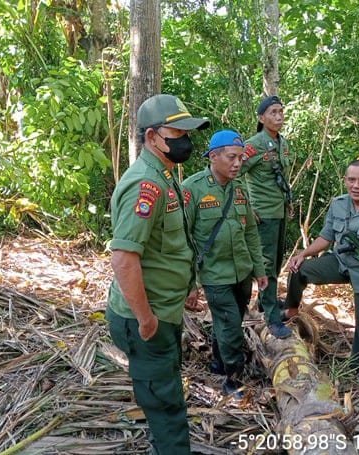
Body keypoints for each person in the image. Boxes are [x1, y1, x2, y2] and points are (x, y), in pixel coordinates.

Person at [105, 94, 209, 455]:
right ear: (152, 137)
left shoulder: (165, 176)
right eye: (177, 134)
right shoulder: (145, 185)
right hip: (147, 319)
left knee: (165, 392)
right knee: (166, 407)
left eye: (187, 133)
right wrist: (146, 318)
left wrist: (188, 289)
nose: (185, 141)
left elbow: (172, 246)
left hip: (165, 310)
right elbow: (124, 259)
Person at [282, 159, 359, 385]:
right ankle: (291, 310)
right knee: (300, 270)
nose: (356, 185)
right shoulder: (338, 204)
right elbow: (326, 238)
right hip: (341, 262)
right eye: (351, 180)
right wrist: (303, 254)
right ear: (345, 181)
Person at [183, 130, 268, 397]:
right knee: (231, 326)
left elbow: (251, 234)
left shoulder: (239, 189)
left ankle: (219, 363)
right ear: (213, 156)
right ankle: (233, 380)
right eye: (231, 157)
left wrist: (260, 270)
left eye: (241, 158)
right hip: (214, 274)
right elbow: (183, 239)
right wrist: (191, 283)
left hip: (241, 272)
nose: (238, 163)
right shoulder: (192, 189)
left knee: (229, 321)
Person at [240, 95, 294, 339]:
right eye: (273, 112)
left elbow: (281, 178)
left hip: (279, 211)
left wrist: (288, 203)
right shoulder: (254, 144)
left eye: (281, 111)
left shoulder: (281, 143)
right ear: (261, 118)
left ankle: (265, 300)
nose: (279, 116)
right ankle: (272, 318)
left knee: (277, 260)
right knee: (267, 266)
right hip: (263, 214)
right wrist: (246, 207)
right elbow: (233, 173)